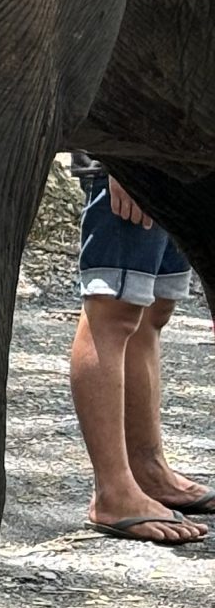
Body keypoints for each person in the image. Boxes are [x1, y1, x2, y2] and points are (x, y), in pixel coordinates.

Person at [67, 153, 211, 546]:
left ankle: (148, 472)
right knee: (114, 308)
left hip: (171, 161)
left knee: (154, 309)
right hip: (130, 156)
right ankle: (112, 492)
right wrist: (122, 163)